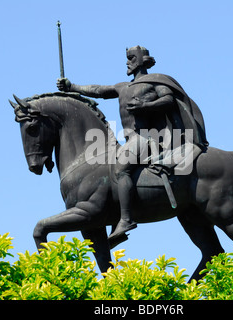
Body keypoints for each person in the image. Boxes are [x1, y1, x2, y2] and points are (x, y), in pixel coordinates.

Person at [57, 46, 208, 243]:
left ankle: (126, 220)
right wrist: (72, 87)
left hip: (146, 137)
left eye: (131, 58)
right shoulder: (122, 87)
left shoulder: (154, 82)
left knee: (121, 169)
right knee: (106, 169)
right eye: (127, 59)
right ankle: (113, 219)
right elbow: (99, 91)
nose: (127, 62)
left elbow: (169, 99)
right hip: (129, 139)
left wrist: (145, 106)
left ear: (142, 60)